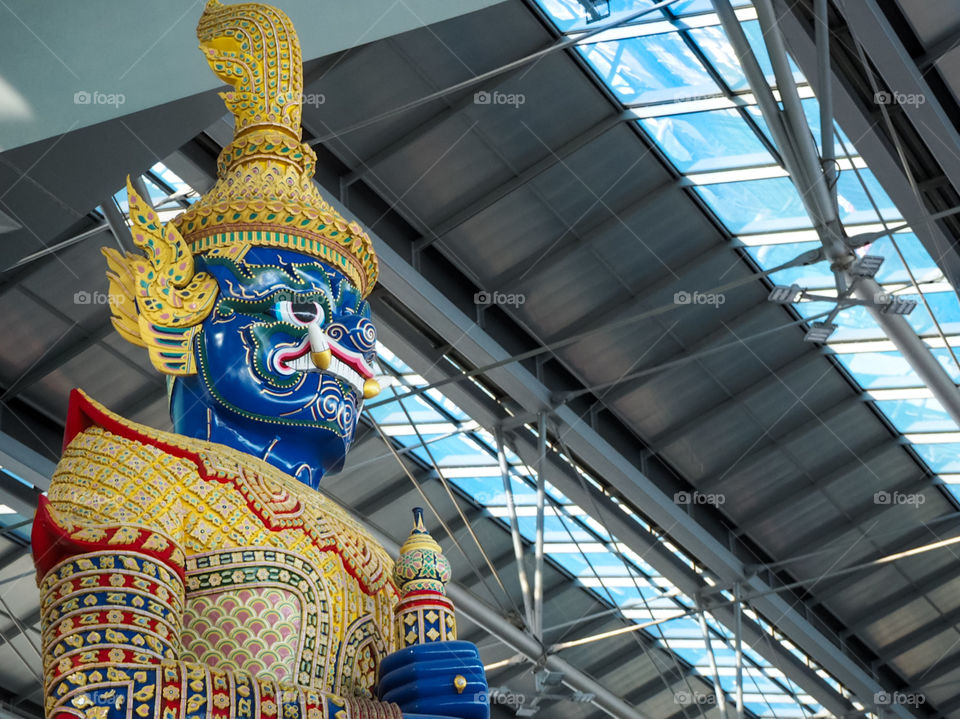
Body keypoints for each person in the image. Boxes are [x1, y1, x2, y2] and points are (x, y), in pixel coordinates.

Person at [32, 2, 489, 718]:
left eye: (354, 330)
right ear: (184, 308)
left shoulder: (378, 565)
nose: (338, 353)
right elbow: (104, 693)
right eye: (301, 312)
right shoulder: (126, 472)